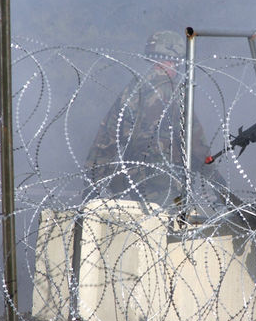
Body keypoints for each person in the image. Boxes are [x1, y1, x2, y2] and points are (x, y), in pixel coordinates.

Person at [84, 30, 219, 209]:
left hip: (127, 182)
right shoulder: (173, 93)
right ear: (174, 61)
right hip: (164, 184)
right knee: (169, 231)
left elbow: (104, 141)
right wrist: (214, 178)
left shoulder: (132, 90)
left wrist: (92, 185)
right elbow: (196, 143)